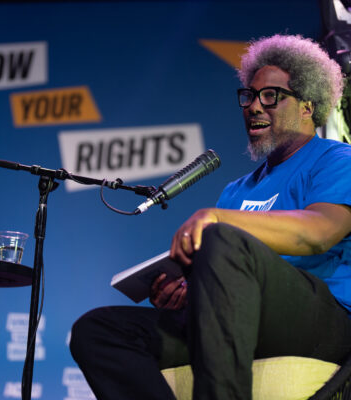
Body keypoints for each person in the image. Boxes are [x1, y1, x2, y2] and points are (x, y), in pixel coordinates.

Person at [69, 34, 351, 400]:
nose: (253, 106)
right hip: (242, 320)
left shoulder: (336, 160)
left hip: (321, 320)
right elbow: (224, 277)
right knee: (99, 330)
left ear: (307, 106)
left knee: (222, 239)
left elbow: (319, 233)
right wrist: (185, 293)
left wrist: (220, 221)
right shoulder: (237, 191)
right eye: (248, 96)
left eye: (270, 96)